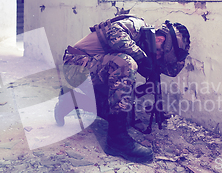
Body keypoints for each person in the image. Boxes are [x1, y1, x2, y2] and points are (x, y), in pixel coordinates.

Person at [54, 14, 190, 163]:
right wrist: (142, 58)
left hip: (92, 73)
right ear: (159, 40)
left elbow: (171, 70)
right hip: (75, 65)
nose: (158, 58)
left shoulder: (151, 47)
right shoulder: (137, 26)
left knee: (120, 116)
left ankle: (72, 99)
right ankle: (116, 141)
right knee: (125, 63)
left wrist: (176, 59)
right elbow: (114, 32)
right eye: (161, 54)